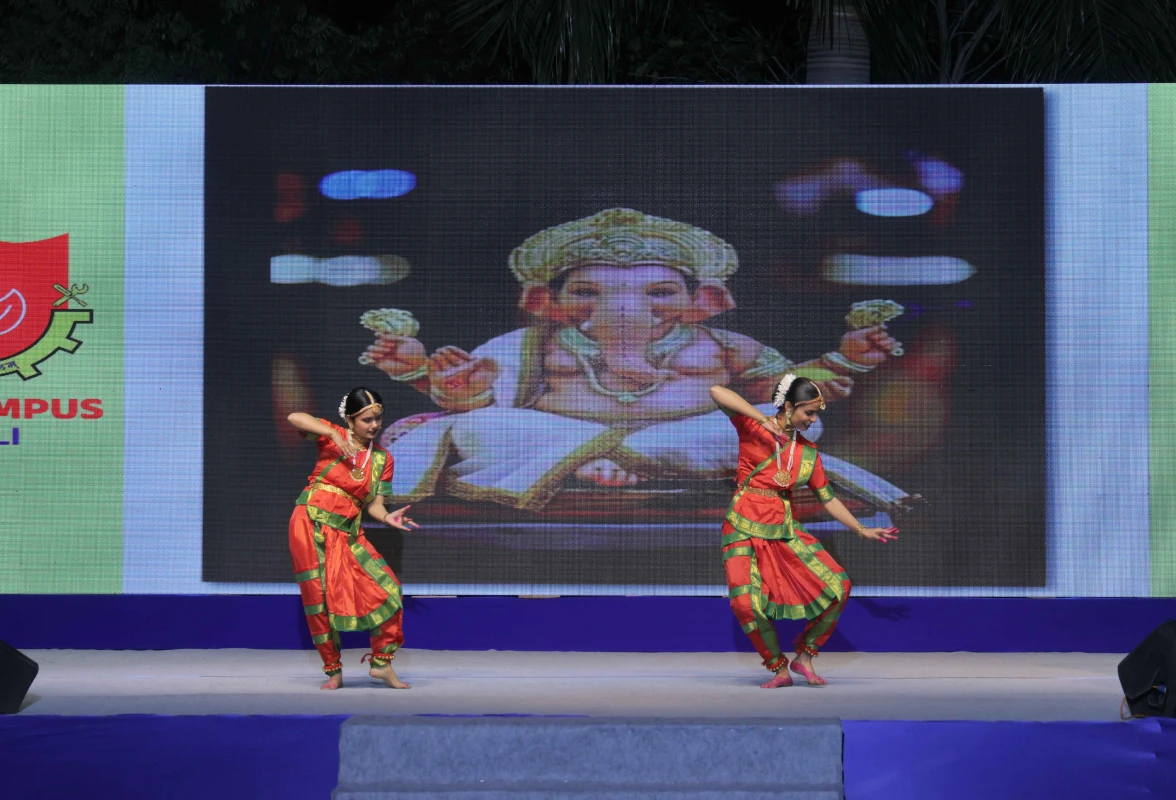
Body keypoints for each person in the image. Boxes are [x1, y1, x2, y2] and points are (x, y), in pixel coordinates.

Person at [362, 208, 909, 517]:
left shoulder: (721, 345)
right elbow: (482, 406)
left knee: (773, 423)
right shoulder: (532, 343)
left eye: (660, 293)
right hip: (558, 437)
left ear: (704, 301)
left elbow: (782, 391)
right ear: (546, 303)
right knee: (481, 426)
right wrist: (447, 382)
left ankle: (620, 462)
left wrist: (845, 361)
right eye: (588, 292)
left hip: (681, 439)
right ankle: (583, 461)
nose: (625, 309)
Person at [709, 375, 898, 689]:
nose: (813, 420)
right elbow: (716, 391)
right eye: (808, 412)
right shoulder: (752, 428)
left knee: (838, 586)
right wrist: (763, 420)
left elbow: (828, 499)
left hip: (784, 528)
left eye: (815, 413)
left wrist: (861, 529)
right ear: (789, 407)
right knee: (745, 605)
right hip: (742, 526)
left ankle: (805, 657)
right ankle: (778, 668)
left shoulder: (808, 453)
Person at [286, 387, 418, 689]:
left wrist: (387, 517)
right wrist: (332, 434)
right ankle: (333, 670)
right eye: (366, 420)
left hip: (347, 530)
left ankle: (382, 664)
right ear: (349, 419)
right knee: (318, 598)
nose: (374, 426)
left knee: (389, 589)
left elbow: (375, 506)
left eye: (377, 419)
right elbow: (294, 417)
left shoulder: (383, 459)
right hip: (309, 522)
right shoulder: (332, 436)